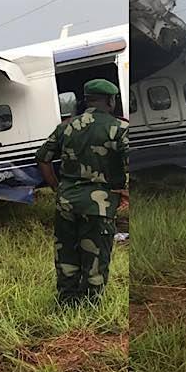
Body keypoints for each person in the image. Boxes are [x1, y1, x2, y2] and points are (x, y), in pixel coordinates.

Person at [35, 78, 129, 306]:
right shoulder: (119, 128)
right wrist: (124, 190)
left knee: (66, 253)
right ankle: (90, 305)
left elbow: (42, 158)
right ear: (110, 100)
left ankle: (67, 302)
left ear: (86, 100)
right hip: (100, 205)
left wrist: (57, 187)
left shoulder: (66, 127)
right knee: (96, 256)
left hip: (66, 202)